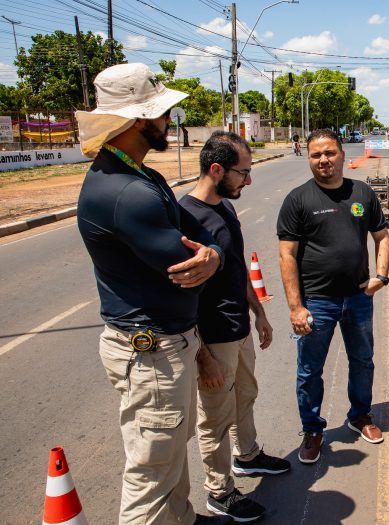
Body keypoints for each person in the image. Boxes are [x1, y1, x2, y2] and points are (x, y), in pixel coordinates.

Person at [76, 63, 230, 525]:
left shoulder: (143, 177)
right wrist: (211, 259)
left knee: (169, 456)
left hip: (166, 344)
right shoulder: (127, 192)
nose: (170, 121)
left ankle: (181, 518)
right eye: (162, 113)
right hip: (151, 352)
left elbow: (203, 237)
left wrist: (215, 256)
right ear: (138, 120)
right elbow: (188, 263)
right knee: (150, 473)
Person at [179, 132, 291, 523]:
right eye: (243, 172)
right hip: (212, 339)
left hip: (238, 328)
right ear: (216, 169)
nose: (248, 180)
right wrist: (203, 356)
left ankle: (248, 456)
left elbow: (237, 267)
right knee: (214, 418)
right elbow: (182, 297)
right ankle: (219, 492)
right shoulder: (186, 219)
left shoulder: (225, 208)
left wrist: (258, 313)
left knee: (246, 394)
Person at [277, 128, 389, 464]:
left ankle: (360, 416)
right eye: (316, 155)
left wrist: (380, 277)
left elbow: (382, 237)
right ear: (309, 158)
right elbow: (286, 255)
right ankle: (313, 428)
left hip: (358, 299)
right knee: (310, 369)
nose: (323, 160)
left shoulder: (363, 193)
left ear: (342, 154)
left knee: (363, 361)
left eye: (329, 153)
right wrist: (296, 307)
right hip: (317, 302)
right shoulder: (298, 200)